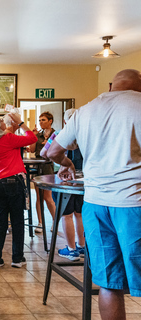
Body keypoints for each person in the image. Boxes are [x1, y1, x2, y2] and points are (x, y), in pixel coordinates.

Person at [47, 69, 141, 319]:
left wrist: (67, 163)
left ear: (112, 85)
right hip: (133, 202)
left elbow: (52, 152)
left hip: (95, 203)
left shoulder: (86, 110)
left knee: (109, 283)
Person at [0, 114, 37, 269]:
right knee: (17, 221)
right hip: (13, 182)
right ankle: (17, 258)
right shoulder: (9, 139)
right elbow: (32, 139)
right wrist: (21, 124)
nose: (3, 122)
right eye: (0, 121)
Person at [40, 108, 85, 261]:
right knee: (80, 214)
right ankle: (82, 246)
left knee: (66, 215)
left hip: (64, 178)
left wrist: (59, 160)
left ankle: (71, 249)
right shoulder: (86, 134)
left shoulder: (58, 134)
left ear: (65, 121)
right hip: (83, 179)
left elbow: (44, 153)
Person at [28, 111, 57, 233]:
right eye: (40, 120)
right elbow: (33, 149)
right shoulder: (39, 135)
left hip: (48, 166)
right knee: (38, 196)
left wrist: (49, 145)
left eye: (43, 120)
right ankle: (40, 223)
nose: (41, 122)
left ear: (50, 121)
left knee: (48, 196)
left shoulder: (56, 134)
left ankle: (55, 222)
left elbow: (59, 150)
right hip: (37, 165)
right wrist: (34, 137)